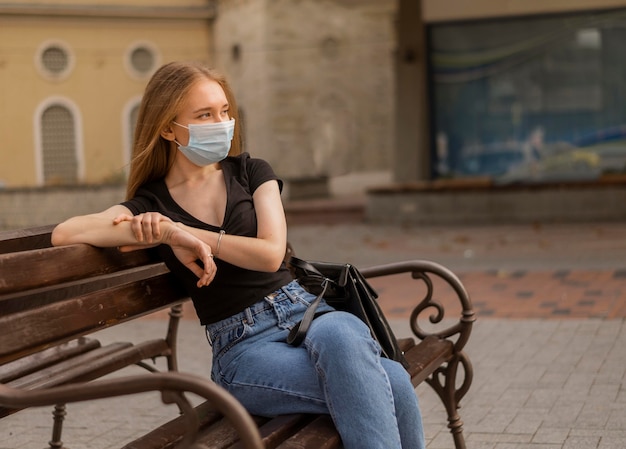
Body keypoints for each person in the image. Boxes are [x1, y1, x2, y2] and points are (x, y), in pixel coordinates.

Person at [51, 60, 425, 449]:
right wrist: (163, 229)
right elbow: (67, 233)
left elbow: (269, 254)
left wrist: (185, 233)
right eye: (205, 114)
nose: (221, 123)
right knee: (392, 382)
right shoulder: (150, 203)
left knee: (345, 339)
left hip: (307, 310)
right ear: (167, 128)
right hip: (244, 348)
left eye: (224, 111)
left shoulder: (250, 171)